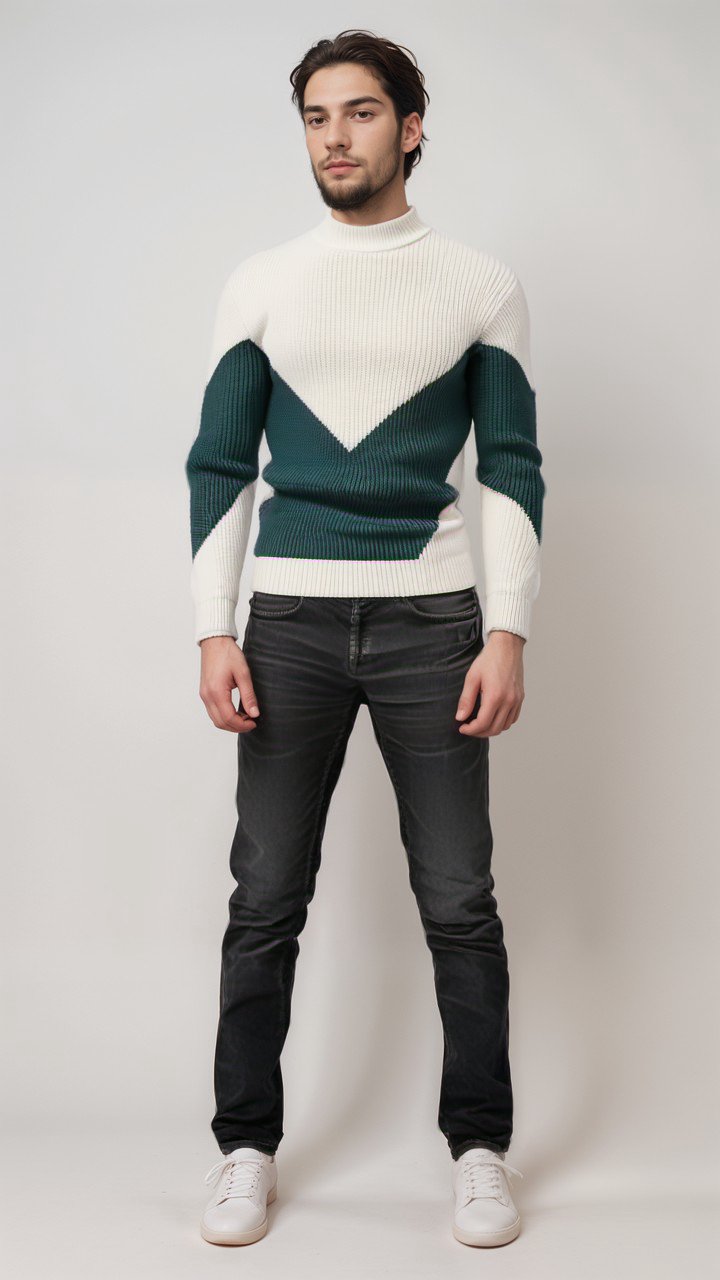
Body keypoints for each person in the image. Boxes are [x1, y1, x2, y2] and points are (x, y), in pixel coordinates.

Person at [186, 28, 545, 1249]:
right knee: (264, 897)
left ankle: (480, 1148)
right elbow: (221, 465)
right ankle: (245, 1148)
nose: (334, 137)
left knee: (459, 899)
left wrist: (508, 628)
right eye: (316, 117)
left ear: (412, 127)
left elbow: (510, 465)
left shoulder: (479, 285)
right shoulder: (262, 283)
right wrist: (212, 629)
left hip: (434, 621)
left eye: (361, 112)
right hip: (285, 624)